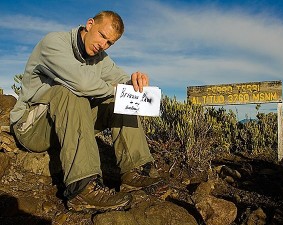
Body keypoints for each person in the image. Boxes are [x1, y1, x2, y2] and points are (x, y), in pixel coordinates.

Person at [10, 10, 167, 212]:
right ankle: (83, 189)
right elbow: (81, 83)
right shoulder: (54, 42)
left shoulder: (100, 58)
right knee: (70, 92)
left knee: (120, 100)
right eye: (102, 36)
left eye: (109, 43)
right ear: (90, 24)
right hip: (31, 128)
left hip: (64, 124)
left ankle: (135, 171)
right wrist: (117, 89)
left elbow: (120, 82)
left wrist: (133, 82)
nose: (103, 45)